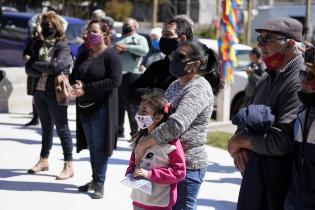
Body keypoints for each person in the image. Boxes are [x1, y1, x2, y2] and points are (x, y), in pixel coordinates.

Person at [135, 40, 224, 210]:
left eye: (180, 56)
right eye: (175, 54)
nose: (173, 58)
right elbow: (163, 117)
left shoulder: (198, 88)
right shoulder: (176, 84)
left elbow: (176, 125)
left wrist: (144, 144)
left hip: (187, 166)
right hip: (166, 162)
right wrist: (142, 134)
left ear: (195, 64)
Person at [227, 17, 304, 210]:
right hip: (255, 179)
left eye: (268, 39)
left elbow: (282, 141)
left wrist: (241, 142)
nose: (260, 45)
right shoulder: (266, 78)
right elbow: (245, 119)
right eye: (259, 38)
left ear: (290, 43)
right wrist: (240, 145)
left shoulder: (300, 80)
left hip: (280, 186)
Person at [71, 19, 122, 199]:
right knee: (92, 146)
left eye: (93, 31)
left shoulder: (111, 55)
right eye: (88, 31)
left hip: (102, 108)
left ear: (105, 34)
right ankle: (94, 179)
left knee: (100, 147)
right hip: (84, 106)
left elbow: (115, 81)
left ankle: (99, 184)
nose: (88, 34)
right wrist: (73, 84)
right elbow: (74, 74)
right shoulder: (84, 53)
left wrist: (86, 87)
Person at [25, 11, 74, 180]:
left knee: (62, 128)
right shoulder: (39, 44)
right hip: (39, 91)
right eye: (45, 25)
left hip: (56, 92)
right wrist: (45, 65)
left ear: (57, 27)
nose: (46, 28)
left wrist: (39, 65)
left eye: (50, 25)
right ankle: (43, 160)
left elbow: (58, 67)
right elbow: (28, 68)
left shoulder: (62, 46)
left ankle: (68, 164)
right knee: (46, 128)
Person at [125, 89, 186, 210]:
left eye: (144, 110)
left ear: (158, 117)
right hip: (139, 200)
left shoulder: (171, 143)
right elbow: (133, 162)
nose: (139, 114)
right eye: (139, 109)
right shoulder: (139, 138)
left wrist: (150, 174)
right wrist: (129, 174)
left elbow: (179, 172)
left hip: (160, 202)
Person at [127, 17, 194, 106]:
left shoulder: (192, 70)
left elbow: (181, 101)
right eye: (162, 34)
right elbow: (132, 92)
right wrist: (157, 95)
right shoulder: (156, 66)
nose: (163, 39)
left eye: (168, 34)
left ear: (182, 39)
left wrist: (151, 94)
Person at [284, 59, 315, 209]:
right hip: (294, 200)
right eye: (303, 74)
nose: (303, 82)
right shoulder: (303, 109)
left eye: (311, 76)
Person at [115, 17, 149, 138]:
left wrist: (126, 48)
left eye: (127, 24)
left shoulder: (140, 39)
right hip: (118, 74)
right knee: (119, 104)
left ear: (134, 26)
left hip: (132, 73)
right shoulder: (119, 38)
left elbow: (144, 50)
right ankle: (119, 130)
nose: (125, 26)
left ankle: (134, 131)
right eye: (124, 24)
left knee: (132, 104)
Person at [23, 15, 42, 127]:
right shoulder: (34, 38)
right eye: (37, 22)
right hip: (33, 70)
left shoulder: (49, 38)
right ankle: (35, 117)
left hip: (42, 71)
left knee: (40, 95)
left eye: (40, 22)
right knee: (34, 94)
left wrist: (40, 33)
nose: (38, 24)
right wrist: (26, 56)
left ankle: (40, 116)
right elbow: (28, 51)